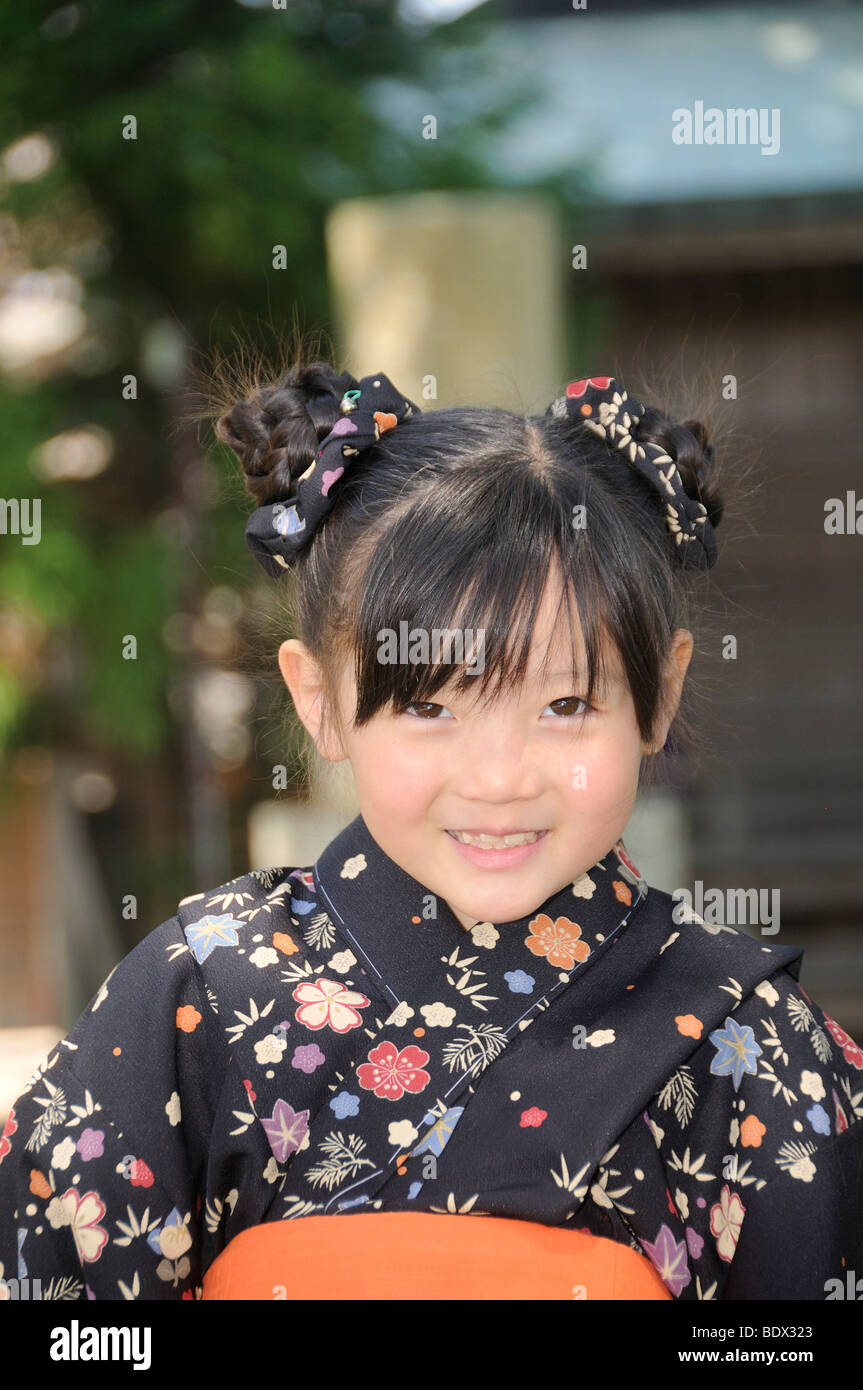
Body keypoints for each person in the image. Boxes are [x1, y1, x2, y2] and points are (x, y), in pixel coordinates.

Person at [1, 359, 860, 1302]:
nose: (499, 778)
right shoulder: (200, 999)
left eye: (567, 702)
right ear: (319, 700)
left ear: (659, 694)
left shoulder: (746, 1040)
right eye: (428, 706)